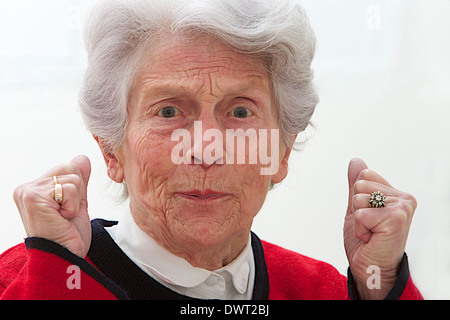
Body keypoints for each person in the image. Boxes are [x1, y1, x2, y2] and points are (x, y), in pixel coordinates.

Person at [0, 0, 422, 300]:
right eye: (168, 111)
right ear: (112, 151)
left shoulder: (323, 291)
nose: (205, 148)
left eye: (240, 111)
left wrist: (380, 282)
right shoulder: (34, 278)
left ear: (282, 151)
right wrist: (58, 276)